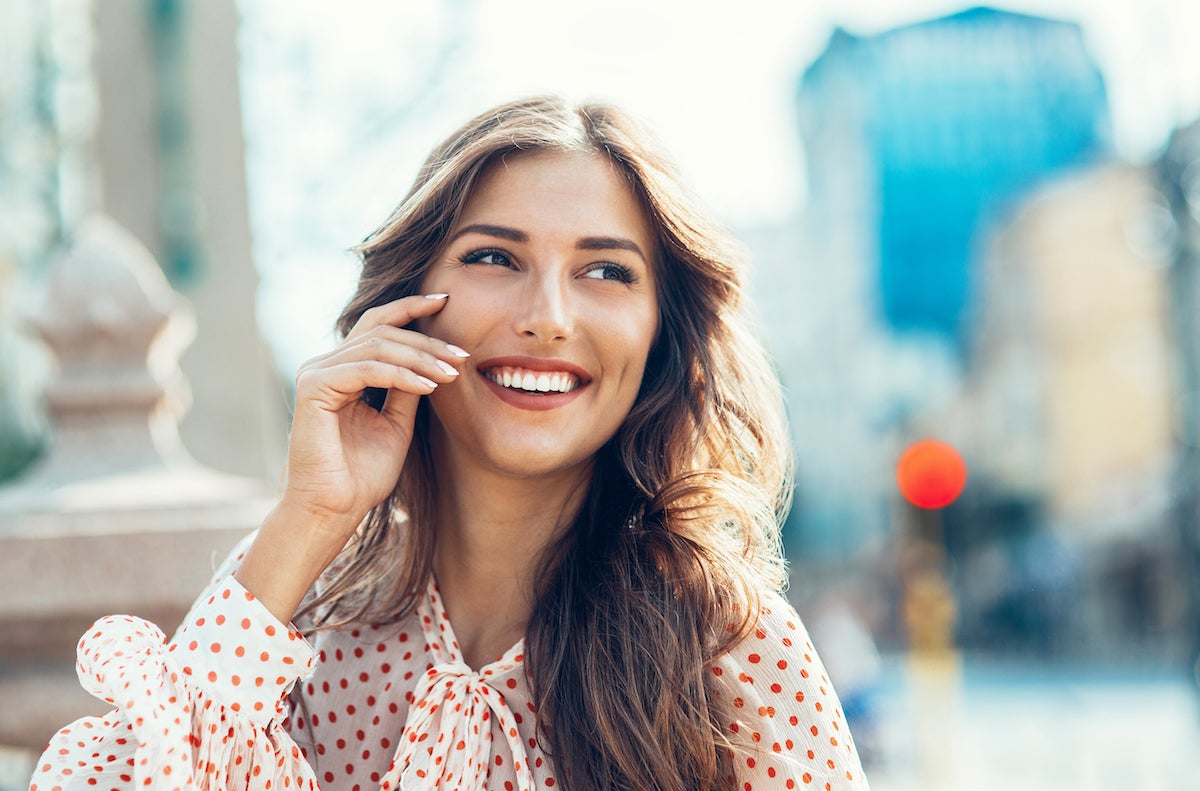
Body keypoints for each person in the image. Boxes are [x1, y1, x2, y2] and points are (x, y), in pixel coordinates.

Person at [30, 96, 869, 791]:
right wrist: (309, 517)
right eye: (495, 257)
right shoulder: (307, 608)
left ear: (661, 333)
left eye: (606, 270)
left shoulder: (728, 645)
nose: (548, 315)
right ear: (407, 303)